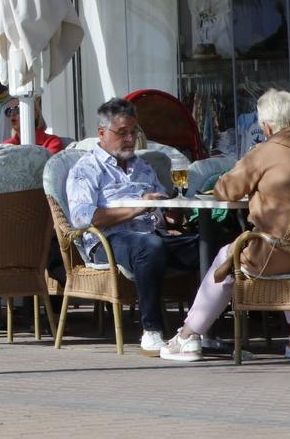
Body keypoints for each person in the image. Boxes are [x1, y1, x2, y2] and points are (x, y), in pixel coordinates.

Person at [158, 89, 290, 361]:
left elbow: (225, 190)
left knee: (228, 257)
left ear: (266, 126)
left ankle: (189, 336)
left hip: (280, 254)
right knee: (279, 243)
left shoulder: (265, 151)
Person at [65, 98, 200, 356]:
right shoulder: (87, 168)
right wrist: (140, 207)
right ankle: (151, 331)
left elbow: (161, 208)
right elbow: (83, 217)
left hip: (153, 234)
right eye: (122, 132)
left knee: (206, 245)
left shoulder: (142, 166)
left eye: (133, 132)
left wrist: (172, 211)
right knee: (149, 246)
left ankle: (196, 330)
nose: (130, 139)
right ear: (102, 133)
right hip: (107, 240)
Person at [1, 100, 66, 154]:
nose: (12, 114)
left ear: (34, 114)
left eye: (18, 109)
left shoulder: (52, 142)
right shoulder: (5, 146)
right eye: (9, 111)